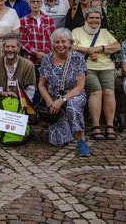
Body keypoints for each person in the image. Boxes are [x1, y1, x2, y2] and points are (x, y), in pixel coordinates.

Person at [38, 28, 90, 157]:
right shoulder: (47, 59)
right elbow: (41, 85)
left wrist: (61, 101)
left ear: (70, 43)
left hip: (73, 95)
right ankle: (65, 123)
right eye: (57, 42)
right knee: (58, 141)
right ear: (52, 44)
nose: (60, 45)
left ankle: (81, 140)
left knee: (72, 107)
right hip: (53, 97)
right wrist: (50, 102)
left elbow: (79, 87)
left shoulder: (78, 58)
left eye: (63, 41)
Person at [72, 7, 121, 141]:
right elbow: (71, 46)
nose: (94, 20)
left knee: (109, 92)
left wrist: (100, 49)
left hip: (106, 67)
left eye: (97, 18)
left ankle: (110, 125)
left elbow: (117, 46)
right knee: (96, 92)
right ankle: (95, 125)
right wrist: (88, 50)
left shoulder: (104, 33)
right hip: (86, 68)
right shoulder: (77, 32)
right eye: (91, 18)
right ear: (86, 19)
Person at [0, 34, 35, 139]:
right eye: (7, 47)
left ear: (19, 48)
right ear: (3, 48)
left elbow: (30, 89)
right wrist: (1, 93)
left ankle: (22, 124)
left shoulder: (28, 65)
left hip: (19, 101)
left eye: (13, 47)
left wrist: (20, 102)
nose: (10, 50)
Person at [20, 0, 56, 65]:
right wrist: (36, 53)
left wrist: (44, 53)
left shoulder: (50, 20)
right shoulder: (23, 20)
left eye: (38, 1)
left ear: (42, 2)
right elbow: (22, 41)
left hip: (47, 59)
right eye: (32, 1)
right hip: (29, 61)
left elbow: (53, 39)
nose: (35, 4)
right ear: (28, 3)